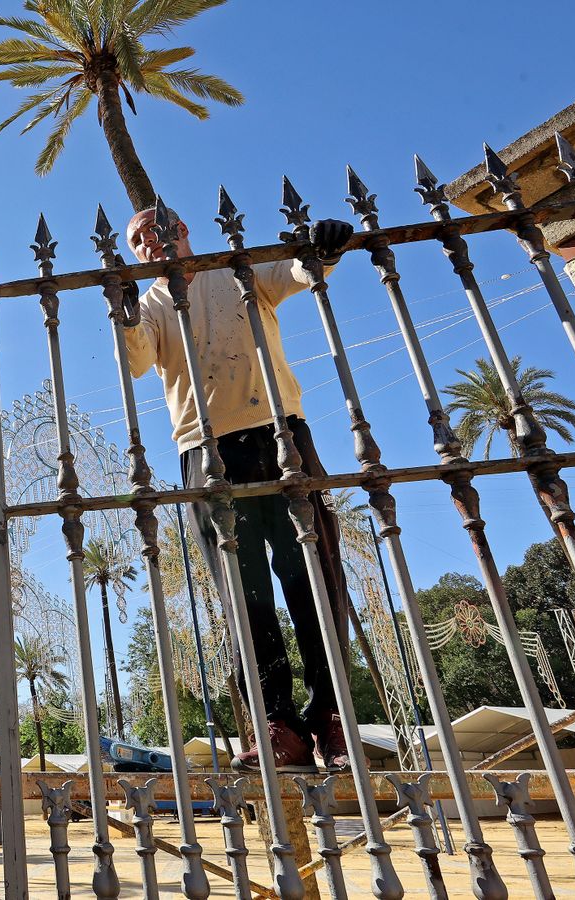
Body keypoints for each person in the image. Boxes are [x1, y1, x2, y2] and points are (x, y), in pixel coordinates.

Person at [122, 203, 356, 773]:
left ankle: (332, 719)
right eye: (139, 240)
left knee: (313, 577)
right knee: (242, 594)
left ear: (183, 230)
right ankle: (277, 726)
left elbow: (297, 273)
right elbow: (138, 361)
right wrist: (124, 313)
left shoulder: (237, 270)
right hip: (205, 450)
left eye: (157, 230)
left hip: (281, 432)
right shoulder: (149, 304)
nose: (151, 243)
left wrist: (321, 250)